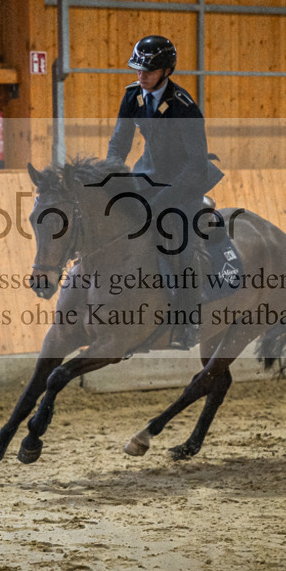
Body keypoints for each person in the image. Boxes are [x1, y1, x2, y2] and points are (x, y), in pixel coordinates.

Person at [106, 35, 224, 349]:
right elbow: (119, 143)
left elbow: (196, 164)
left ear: (166, 70)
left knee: (181, 248)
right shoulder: (133, 96)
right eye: (137, 69)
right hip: (146, 177)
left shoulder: (184, 107)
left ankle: (190, 321)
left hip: (184, 184)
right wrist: (111, 174)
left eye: (149, 70)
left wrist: (161, 200)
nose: (140, 75)